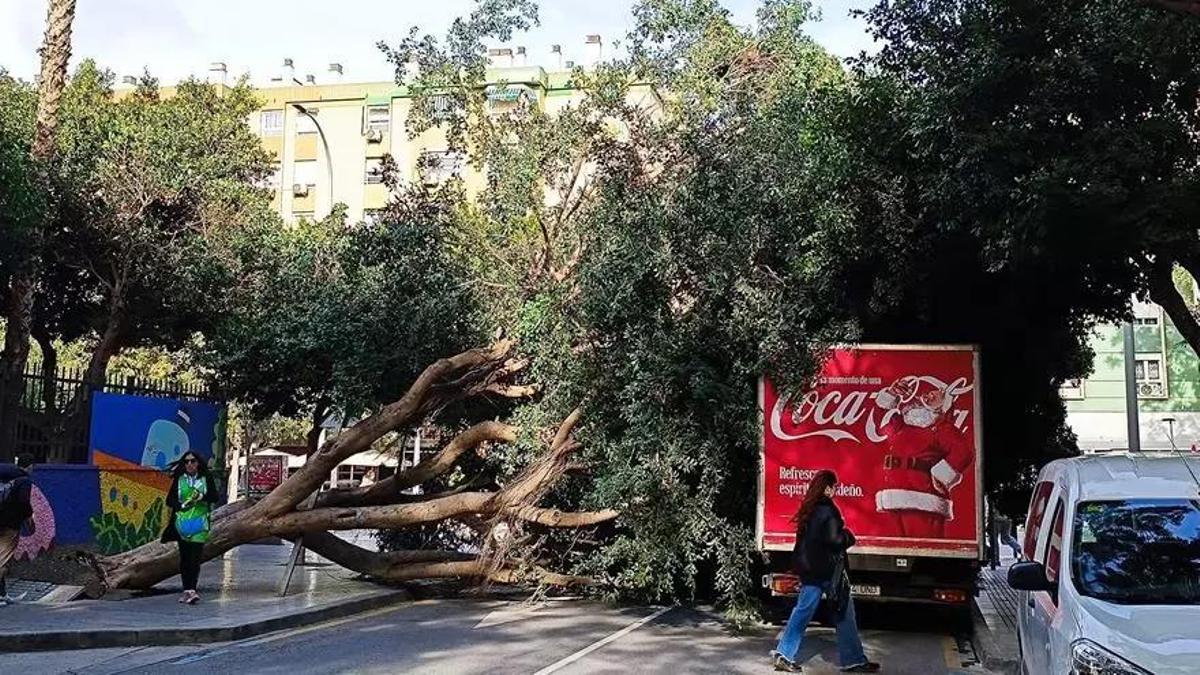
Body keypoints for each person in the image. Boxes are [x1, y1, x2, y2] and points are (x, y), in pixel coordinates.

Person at [771, 470, 880, 673]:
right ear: (827, 488)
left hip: (810, 570)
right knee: (844, 613)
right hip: (829, 571)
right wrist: (848, 536)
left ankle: (784, 654)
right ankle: (854, 660)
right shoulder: (829, 511)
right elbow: (834, 541)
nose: (836, 490)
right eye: (834, 487)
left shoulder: (809, 509)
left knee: (802, 612)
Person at [161, 450, 218, 604]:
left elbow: (214, 496)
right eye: (186, 462)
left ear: (198, 463)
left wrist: (201, 498)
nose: (190, 464)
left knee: (195, 557)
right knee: (185, 558)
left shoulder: (206, 479)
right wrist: (180, 505)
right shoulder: (179, 480)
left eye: (193, 461)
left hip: (199, 523)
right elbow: (169, 500)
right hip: (182, 524)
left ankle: (192, 590)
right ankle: (186, 589)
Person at [0, 454, 35, 605]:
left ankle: (2, 594)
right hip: (10, 525)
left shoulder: (6, 479)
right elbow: (23, 502)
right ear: (30, 466)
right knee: (2, 560)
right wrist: (29, 516)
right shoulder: (24, 481)